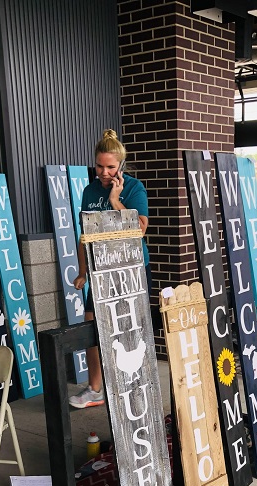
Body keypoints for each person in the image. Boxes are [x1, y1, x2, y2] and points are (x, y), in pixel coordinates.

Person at [69, 129, 150, 409]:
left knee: (129, 328)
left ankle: (135, 388)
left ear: (121, 166)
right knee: (92, 323)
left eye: (110, 167)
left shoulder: (134, 189)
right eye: (100, 165)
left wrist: (116, 201)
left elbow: (139, 230)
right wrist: (83, 272)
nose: (104, 172)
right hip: (101, 269)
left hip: (131, 269)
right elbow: (85, 236)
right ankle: (95, 389)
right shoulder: (89, 191)